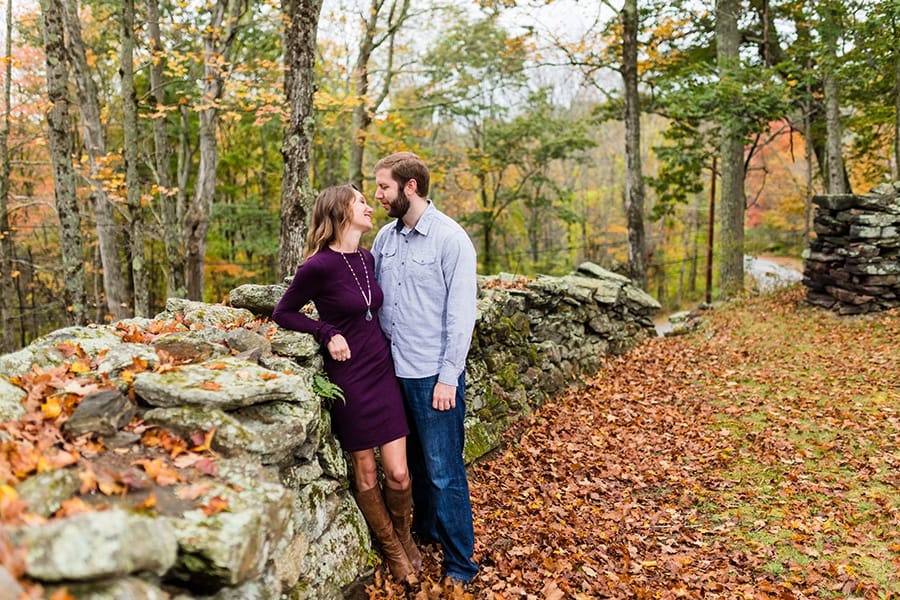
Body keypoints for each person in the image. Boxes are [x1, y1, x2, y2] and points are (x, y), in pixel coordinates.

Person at [272, 184, 421, 582]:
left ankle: (405, 537)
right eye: (361, 202)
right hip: (350, 375)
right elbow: (283, 312)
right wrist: (326, 332)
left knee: (399, 473)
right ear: (340, 212)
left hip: (380, 367)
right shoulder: (317, 266)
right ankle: (392, 551)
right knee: (367, 471)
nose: (370, 206)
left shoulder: (367, 257)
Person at [371, 152, 479, 585]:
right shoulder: (385, 238)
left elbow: (461, 315)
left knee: (443, 471)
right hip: (390, 375)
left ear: (409, 187)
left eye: (384, 187)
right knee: (413, 467)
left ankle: (460, 564)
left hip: (433, 376)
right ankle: (427, 531)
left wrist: (448, 377)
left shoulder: (451, 240)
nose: (377, 195)